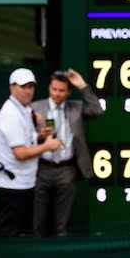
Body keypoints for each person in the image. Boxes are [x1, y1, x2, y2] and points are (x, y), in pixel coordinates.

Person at [31, 68, 104, 236]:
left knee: (61, 225)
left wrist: (83, 86)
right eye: (54, 89)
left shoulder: (76, 108)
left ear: (69, 92)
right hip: (41, 169)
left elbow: (98, 110)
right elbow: (23, 137)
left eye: (61, 90)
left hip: (66, 170)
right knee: (38, 223)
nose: (57, 94)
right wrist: (38, 136)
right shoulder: (36, 108)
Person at [0, 68, 62, 237]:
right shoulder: (11, 115)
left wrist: (39, 136)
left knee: (21, 234)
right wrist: (47, 146)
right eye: (23, 87)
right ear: (12, 87)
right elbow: (20, 153)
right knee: (8, 238)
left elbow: (25, 141)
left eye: (31, 86)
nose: (28, 91)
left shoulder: (23, 109)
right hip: (11, 190)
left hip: (23, 185)